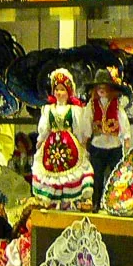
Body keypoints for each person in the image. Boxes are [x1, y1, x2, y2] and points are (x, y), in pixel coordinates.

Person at [32, 68, 94, 210]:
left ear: (68, 92)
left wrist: (81, 143)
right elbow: (44, 128)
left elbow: (78, 129)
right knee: (51, 169)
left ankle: (68, 201)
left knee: (71, 170)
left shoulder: (75, 110)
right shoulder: (48, 109)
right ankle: (53, 200)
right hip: (52, 144)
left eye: (62, 90)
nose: (59, 93)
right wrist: (40, 141)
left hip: (69, 144)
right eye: (57, 90)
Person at [86, 66, 133, 199]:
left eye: (105, 86)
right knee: (97, 176)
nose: (101, 89)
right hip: (97, 145)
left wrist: (126, 139)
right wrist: (84, 140)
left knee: (116, 176)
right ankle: (96, 201)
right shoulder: (91, 105)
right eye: (99, 86)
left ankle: (115, 200)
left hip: (114, 146)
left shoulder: (117, 105)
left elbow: (123, 122)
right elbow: (86, 123)